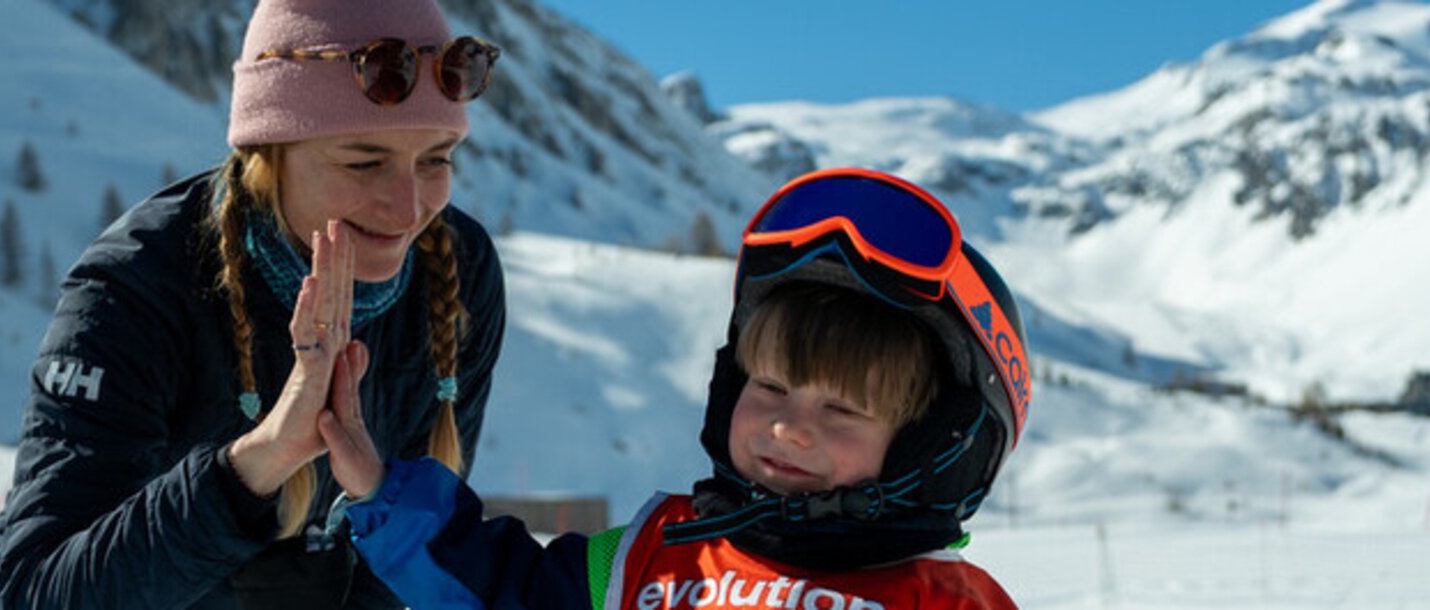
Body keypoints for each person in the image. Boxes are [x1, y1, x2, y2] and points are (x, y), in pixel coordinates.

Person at [0, 1, 506, 608]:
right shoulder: (136, 290)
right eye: (364, 162)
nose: (409, 209)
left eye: (436, 158)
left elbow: (409, 552)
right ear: (269, 152)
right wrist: (259, 461)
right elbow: (38, 593)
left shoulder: (458, 272)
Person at [314, 168, 1035, 609]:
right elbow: (500, 588)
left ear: (934, 446)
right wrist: (382, 491)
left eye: (841, 409)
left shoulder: (946, 602)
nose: (788, 426)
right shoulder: (651, 556)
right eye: (771, 386)